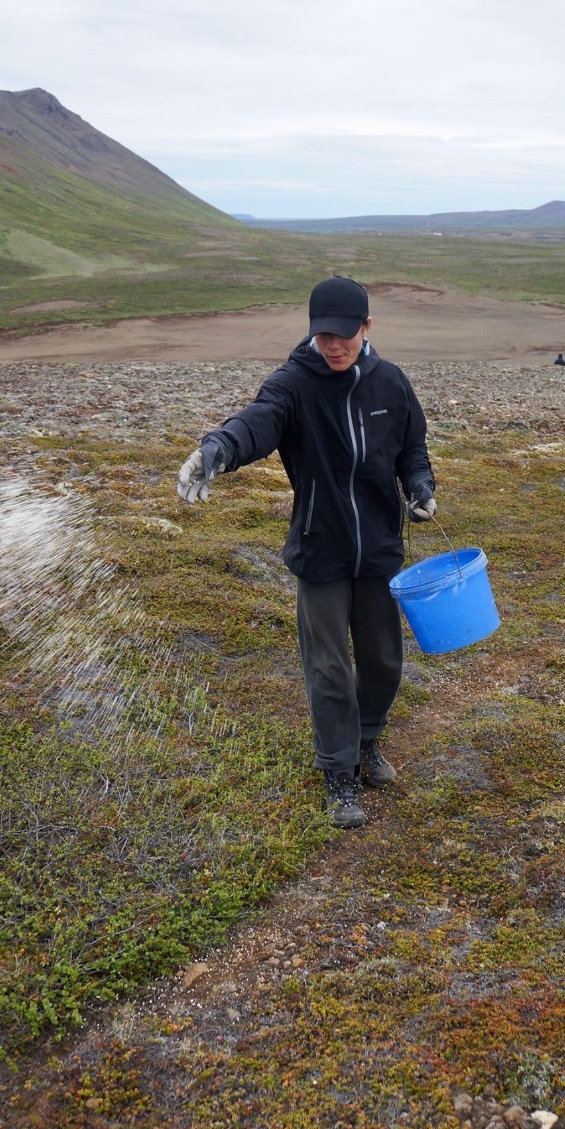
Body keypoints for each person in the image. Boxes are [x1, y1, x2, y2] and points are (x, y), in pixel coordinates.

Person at [176, 276, 436, 830]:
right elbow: (258, 421)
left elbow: (412, 450)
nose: (333, 345)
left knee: (384, 661)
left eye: (344, 334)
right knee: (330, 668)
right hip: (321, 549)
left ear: (367, 327)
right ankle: (339, 771)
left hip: (380, 549)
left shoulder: (392, 383)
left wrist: (420, 488)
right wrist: (218, 448)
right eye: (323, 335)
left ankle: (367, 740)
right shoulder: (293, 384)